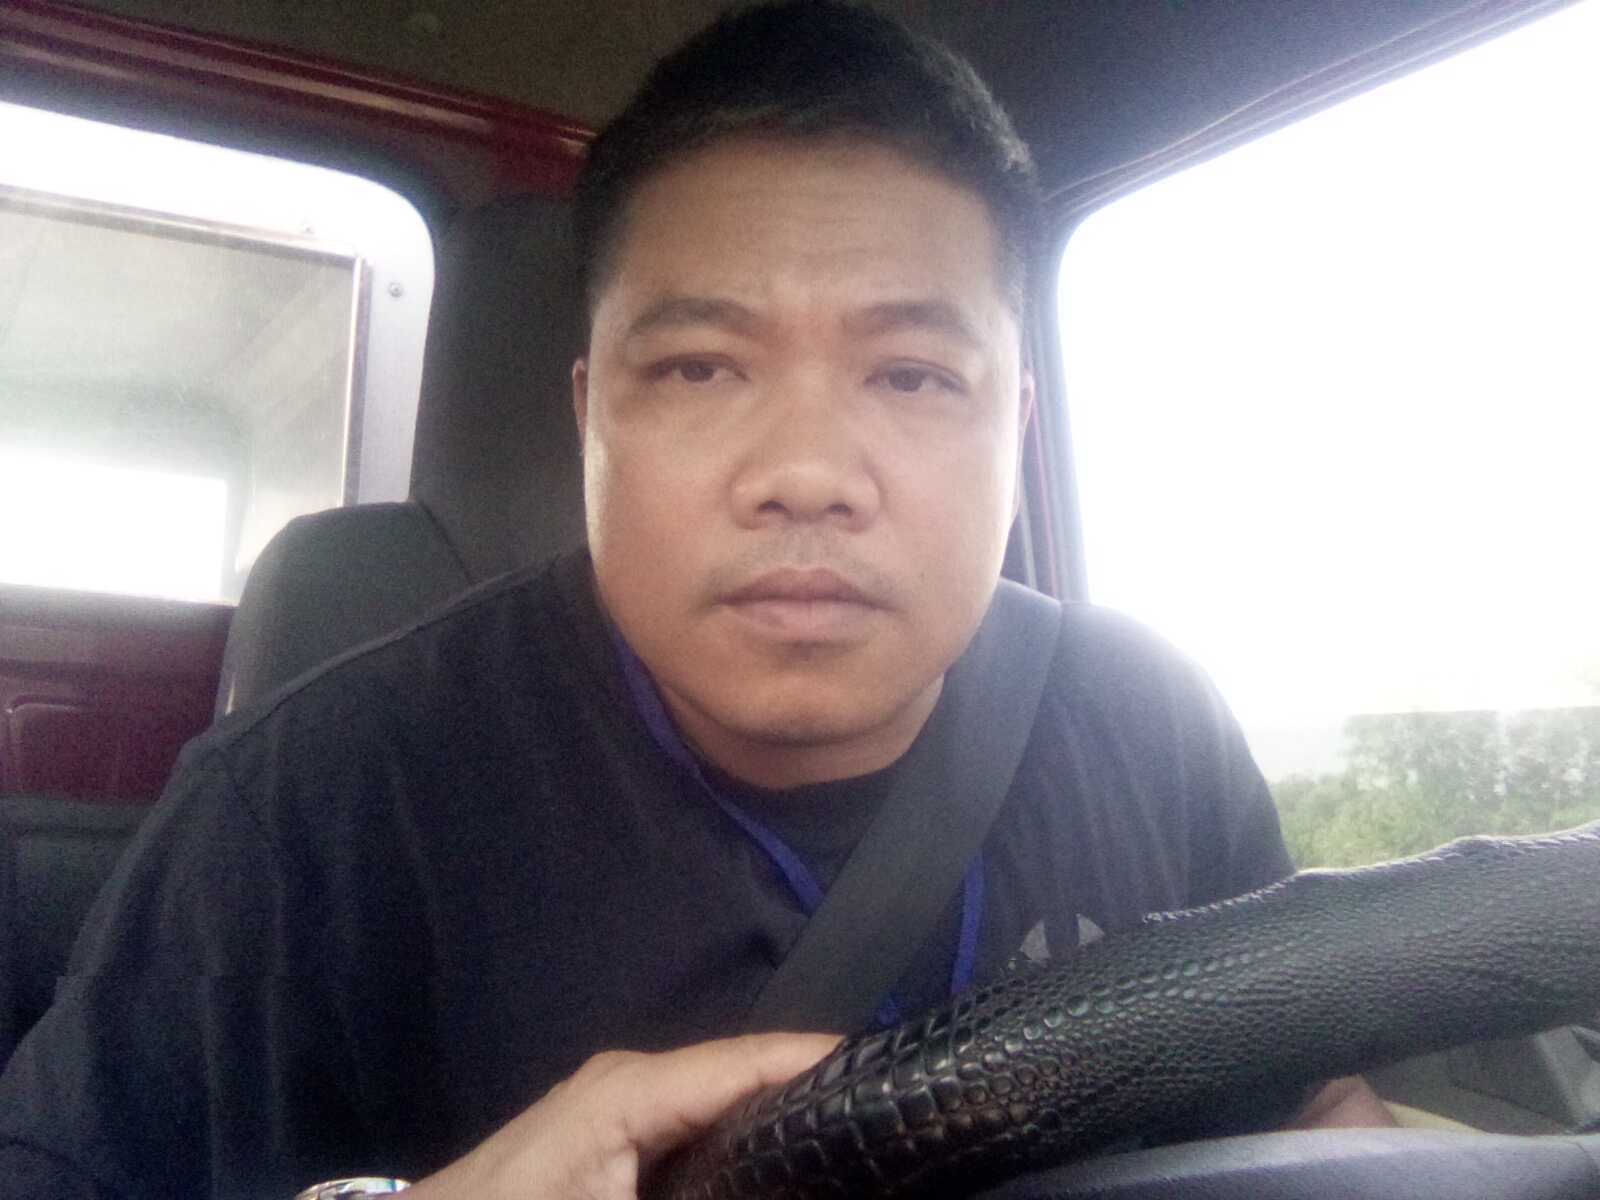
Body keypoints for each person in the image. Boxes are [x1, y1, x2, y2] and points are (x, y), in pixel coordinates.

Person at [0, 3, 1393, 1198]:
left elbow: (1316, 1106)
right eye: (699, 370)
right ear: (590, 418)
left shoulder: (1155, 728)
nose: (806, 475)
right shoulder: (311, 808)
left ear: (1014, 433)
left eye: (913, 376)